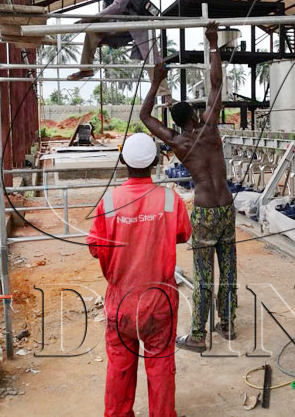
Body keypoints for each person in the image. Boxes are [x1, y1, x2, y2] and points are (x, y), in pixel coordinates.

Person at [140, 22, 237, 353]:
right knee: (229, 267)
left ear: (175, 121)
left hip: (206, 210)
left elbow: (144, 116)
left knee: (204, 272)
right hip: (227, 206)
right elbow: (216, 82)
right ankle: (227, 323)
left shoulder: (176, 141)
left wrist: (154, 82)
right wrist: (213, 45)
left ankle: (198, 334)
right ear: (195, 113)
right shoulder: (210, 127)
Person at [86, 133, 192, 417]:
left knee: (120, 367)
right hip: (159, 302)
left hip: (121, 301)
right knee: (160, 365)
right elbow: (182, 234)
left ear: (123, 160)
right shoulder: (170, 199)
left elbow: (95, 248)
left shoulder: (109, 202)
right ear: (156, 161)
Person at [69, 0, 171, 101]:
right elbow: (108, 5)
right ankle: (86, 69)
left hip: (140, 20)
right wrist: (99, 23)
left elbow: (118, 5)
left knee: (151, 55)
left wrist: (93, 18)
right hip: (121, 21)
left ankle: (165, 94)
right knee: (93, 31)